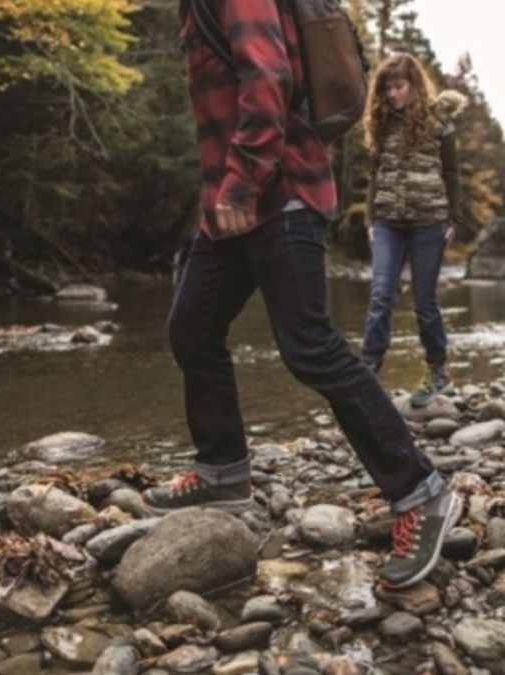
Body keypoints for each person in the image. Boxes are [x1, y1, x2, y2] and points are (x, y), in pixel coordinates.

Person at [142, 0, 461, 589]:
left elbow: (269, 79)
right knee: (192, 330)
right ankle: (224, 474)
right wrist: (227, 195)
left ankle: (422, 492)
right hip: (229, 207)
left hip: (276, 191)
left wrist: (241, 184)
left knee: (308, 346)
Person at [360, 54, 466, 408]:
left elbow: (452, 174)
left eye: (399, 86)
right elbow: (375, 175)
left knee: (425, 304)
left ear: (415, 85)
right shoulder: (381, 122)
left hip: (429, 223)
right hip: (388, 222)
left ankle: (437, 371)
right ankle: (368, 369)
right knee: (381, 296)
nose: (392, 94)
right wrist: (370, 220)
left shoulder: (439, 122)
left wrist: (454, 220)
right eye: (387, 88)